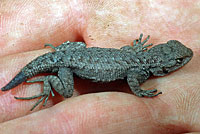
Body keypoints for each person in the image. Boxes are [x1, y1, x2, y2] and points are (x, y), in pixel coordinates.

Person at [0, 0, 199, 133]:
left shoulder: (138, 58)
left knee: (79, 48)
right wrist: (139, 92)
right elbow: (131, 78)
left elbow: (124, 52)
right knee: (67, 93)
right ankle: (49, 79)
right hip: (68, 64)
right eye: (178, 62)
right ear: (163, 67)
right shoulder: (139, 70)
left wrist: (136, 51)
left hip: (72, 56)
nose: (183, 61)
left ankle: (60, 54)